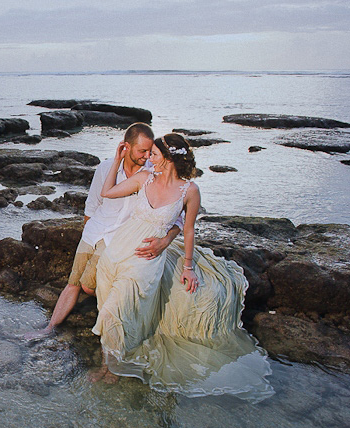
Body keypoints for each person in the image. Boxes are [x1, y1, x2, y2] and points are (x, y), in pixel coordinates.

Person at [91, 133, 273, 401]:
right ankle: (112, 360)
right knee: (110, 305)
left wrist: (187, 267)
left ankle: (111, 367)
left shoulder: (190, 191)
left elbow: (188, 231)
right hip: (117, 250)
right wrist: (118, 160)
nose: (148, 158)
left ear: (167, 159)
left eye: (153, 154)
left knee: (115, 311)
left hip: (147, 258)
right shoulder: (144, 178)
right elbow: (106, 193)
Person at [24, 123, 183, 340]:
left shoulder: (152, 176)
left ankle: (106, 327)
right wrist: (87, 236)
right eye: (142, 151)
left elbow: (176, 216)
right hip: (95, 231)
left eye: (149, 151)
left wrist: (165, 241)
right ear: (126, 147)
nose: (147, 156)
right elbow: (93, 204)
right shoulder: (105, 168)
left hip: (118, 239)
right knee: (73, 282)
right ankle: (48, 329)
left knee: (88, 287)